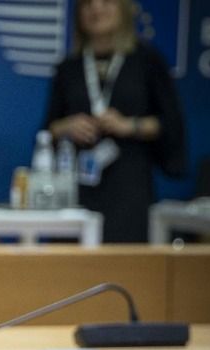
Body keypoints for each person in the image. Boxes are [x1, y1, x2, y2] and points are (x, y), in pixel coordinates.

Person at [45, 0, 186, 243]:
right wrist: (67, 126)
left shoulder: (147, 61)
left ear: (123, 8)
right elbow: (48, 129)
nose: (96, 8)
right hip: (78, 189)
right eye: (88, 3)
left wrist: (129, 126)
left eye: (106, 1)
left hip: (129, 188)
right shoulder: (68, 67)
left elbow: (171, 124)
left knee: (127, 267)